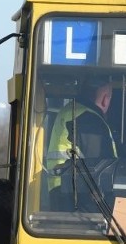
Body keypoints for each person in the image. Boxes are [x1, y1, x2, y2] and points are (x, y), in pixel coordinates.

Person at [47, 75, 117, 208]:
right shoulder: (88, 119)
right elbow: (100, 169)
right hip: (78, 197)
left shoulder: (72, 111)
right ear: (105, 98)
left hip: (63, 191)